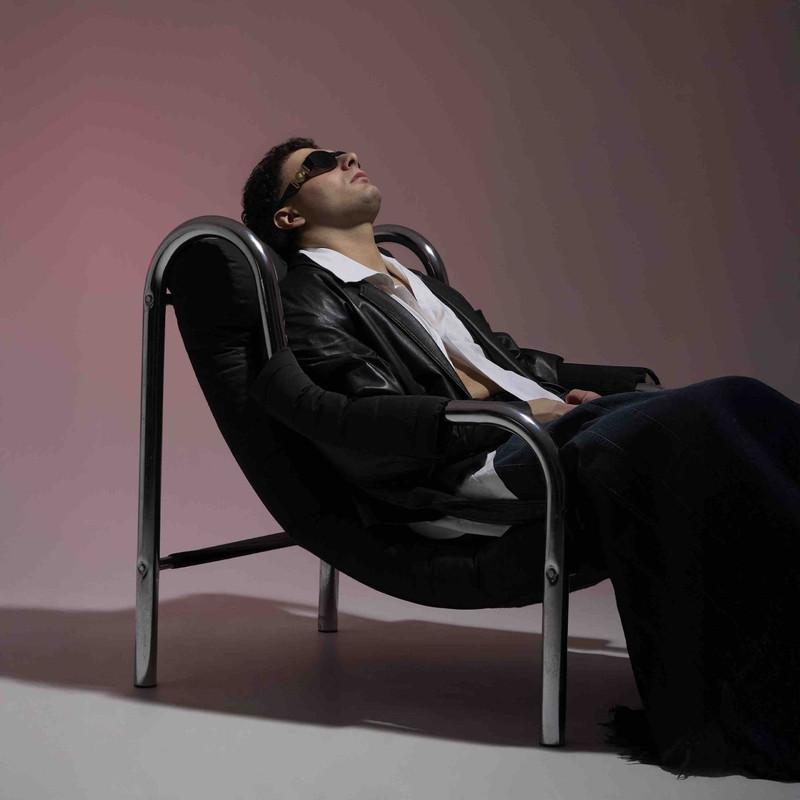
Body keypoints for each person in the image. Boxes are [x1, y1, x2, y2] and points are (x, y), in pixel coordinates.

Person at [242, 138, 800, 780]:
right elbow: (373, 421)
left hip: (538, 428)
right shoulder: (308, 300)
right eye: (317, 164)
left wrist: (567, 394)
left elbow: (500, 359)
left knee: (741, 413)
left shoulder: (413, 281)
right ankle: (746, 708)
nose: (345, 160)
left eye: (342, 151)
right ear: (289, 215)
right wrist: (525, 412)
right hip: (478, 461)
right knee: (721, 407)